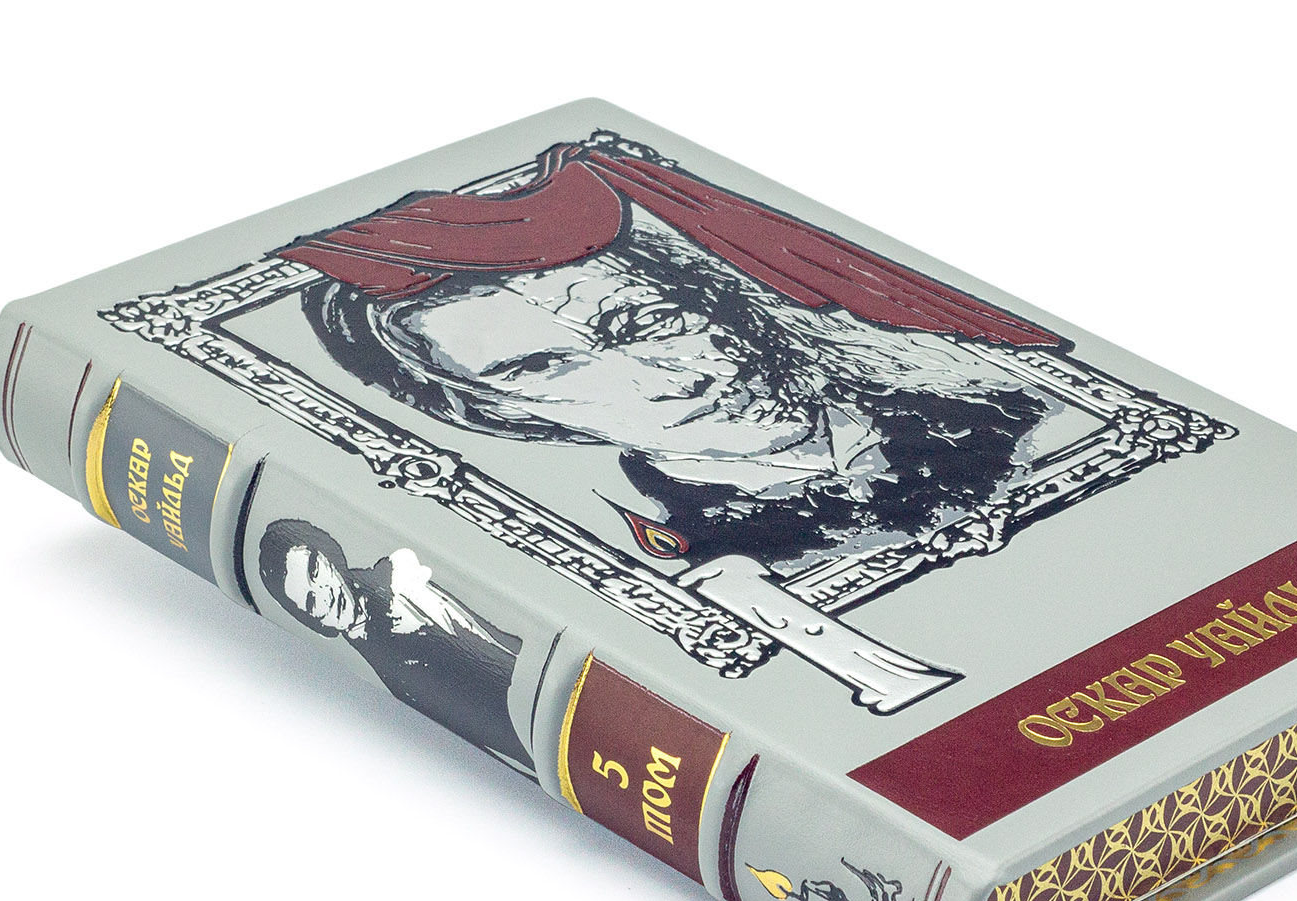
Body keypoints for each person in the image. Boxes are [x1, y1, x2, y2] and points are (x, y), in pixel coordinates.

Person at [280, 136, 1201, 574]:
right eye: (544, 367)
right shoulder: (700, 555)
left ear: (705, 297)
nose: (673, 373)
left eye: (641, 318)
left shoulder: (1005, 401)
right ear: (490, 410)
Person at [257, 519, 530, 770]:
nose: (324, 594)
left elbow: (492, 643)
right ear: (308, 618)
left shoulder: (400, 581)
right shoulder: (353, 656)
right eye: (310, 601)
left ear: (327, 554)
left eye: (315, 570)